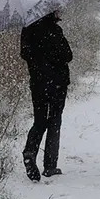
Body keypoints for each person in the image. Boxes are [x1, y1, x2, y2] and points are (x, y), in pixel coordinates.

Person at [20, 10, 73, 182]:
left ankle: (30, 151)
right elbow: (67, 55)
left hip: (38, 83)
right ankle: (50, 165)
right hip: (57, 83)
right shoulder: (54, 30)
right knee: (55, 120)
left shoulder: (27, 28)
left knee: (40, 120)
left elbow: (25, 54)